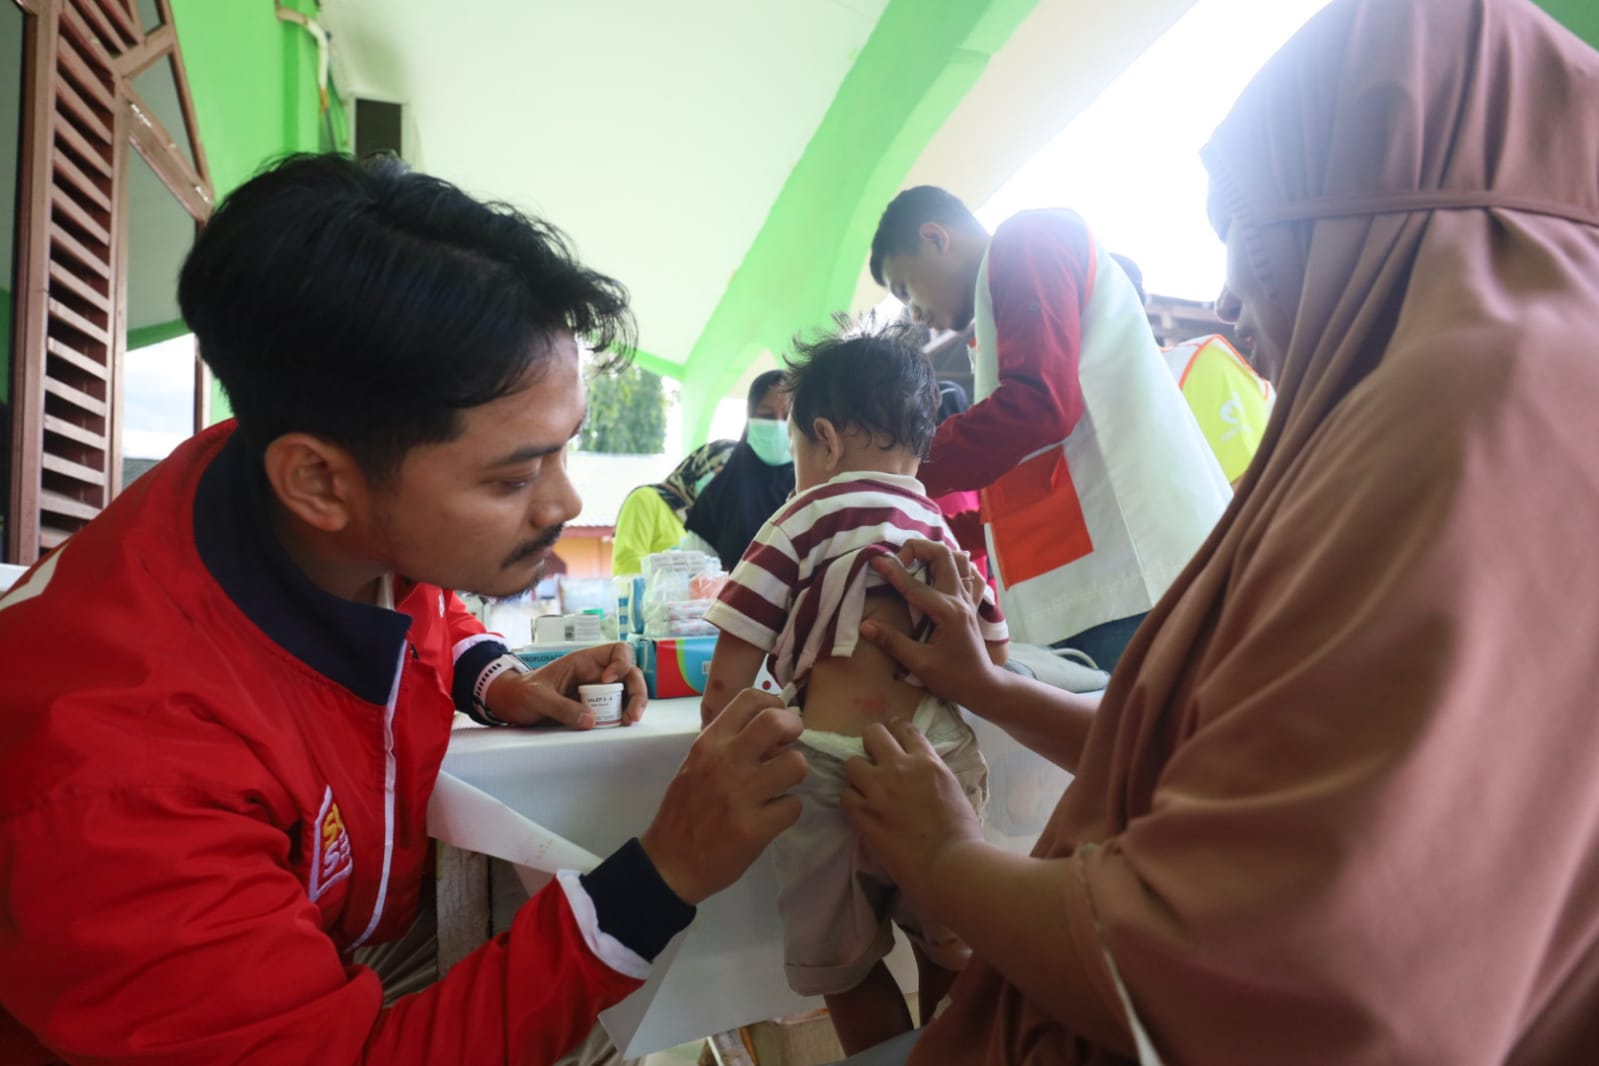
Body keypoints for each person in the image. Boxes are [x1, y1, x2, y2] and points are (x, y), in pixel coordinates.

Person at [836, 0, 1599, 1061]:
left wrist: (947, 859)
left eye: (1250, 235)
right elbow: (1224, 749)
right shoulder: (1456, 395)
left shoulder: (1466, 418)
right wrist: (991, 689)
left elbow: (1279, 962)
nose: (1234, 299)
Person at [0, 154, 808, 1064]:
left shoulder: (292, 488)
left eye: (560, 450)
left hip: (333, 938)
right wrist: (663, 875)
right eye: (512, 477)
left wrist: (493, 676)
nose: (560, 504)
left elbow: (417, 604)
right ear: (317, 481)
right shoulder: (123, 776)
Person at [699, 322, 1007, 1054]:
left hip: (824, 770)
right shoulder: (938, 528)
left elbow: (729, 671)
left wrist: (730, 733)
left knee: (840, 965)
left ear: (826, 441)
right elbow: (989, 655)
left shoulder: (801, 515)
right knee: (950, 946)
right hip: (933, 762)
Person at [869, 185, 1228, 670]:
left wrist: (895, 467)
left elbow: (1040, 405)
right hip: (1095, 595)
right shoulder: (997, 323)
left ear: (935, 238)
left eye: (904, 288)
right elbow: (1021, 496)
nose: (912, 312)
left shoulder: (1026, 238)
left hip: (1137, 582)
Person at [683, 370, 796, 570]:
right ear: (749, 418)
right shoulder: (720, 495)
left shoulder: (814, 492)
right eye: (767, 415)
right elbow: (695, 578)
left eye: (787, 417)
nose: (779, 425)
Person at [610, 439, 735, 574]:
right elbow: (625, 567)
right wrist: (673, 570)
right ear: (701, 467)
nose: (722, 488)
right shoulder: (645, 499)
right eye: (719, 476)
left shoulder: (707, 522)